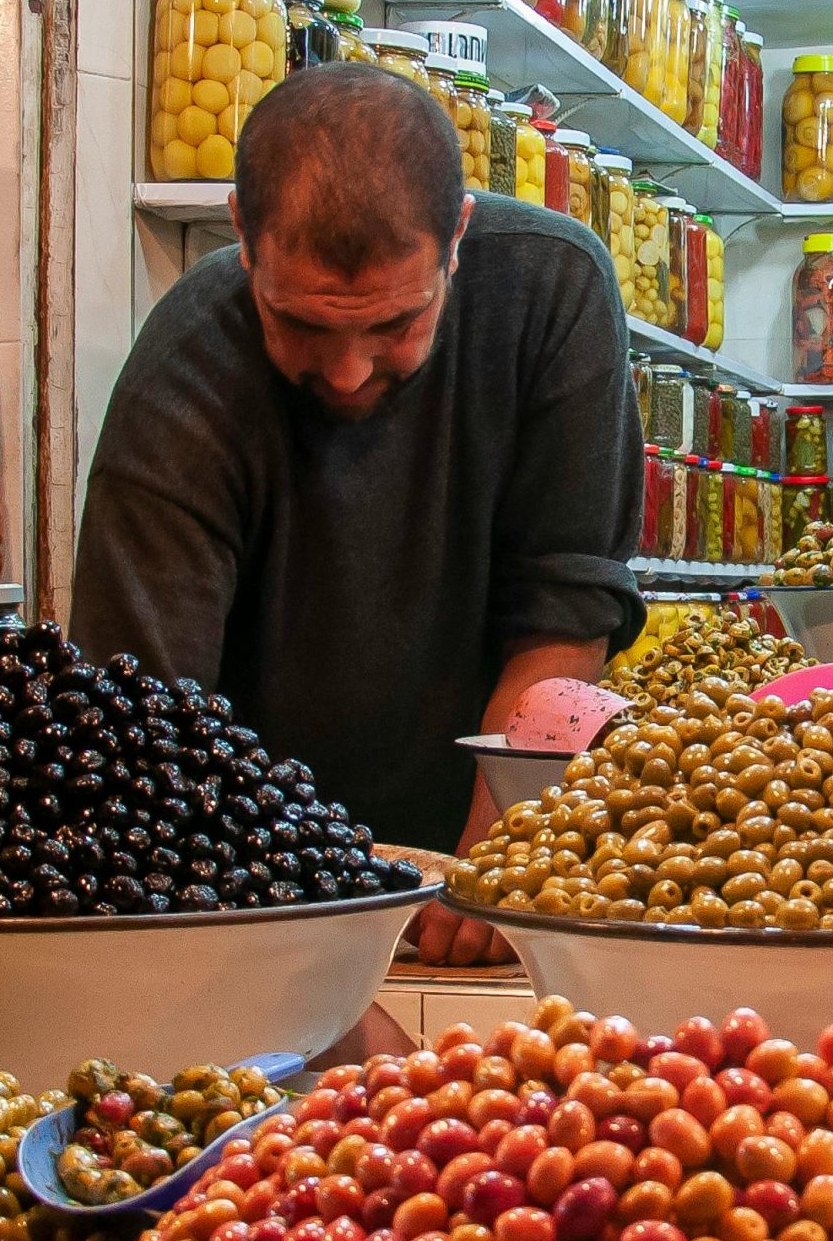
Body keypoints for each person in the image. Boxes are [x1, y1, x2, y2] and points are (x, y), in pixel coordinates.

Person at [70, 62, 644, 963]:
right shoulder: (187, 361)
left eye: (393, 325)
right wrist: (283, 939)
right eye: (300, 323)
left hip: (470, 852)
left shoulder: (551, 292)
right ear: (244, 239)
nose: (346, 371)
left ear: (456, 235)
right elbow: (143, 716)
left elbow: (562, 613)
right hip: (239, 883)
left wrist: (499, 864)